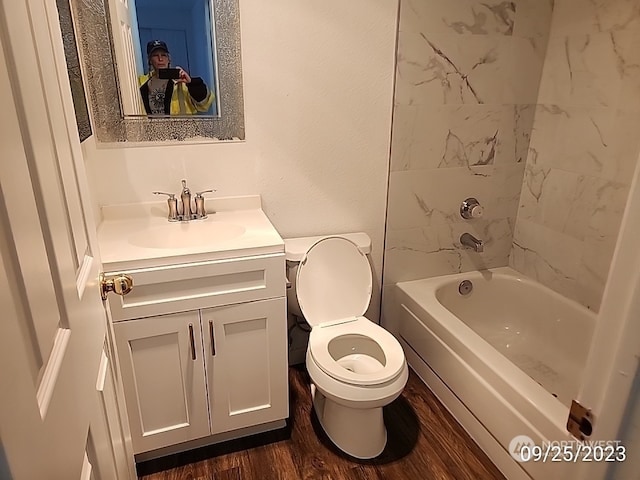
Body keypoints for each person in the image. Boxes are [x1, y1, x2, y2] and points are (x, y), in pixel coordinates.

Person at [139, 40, 214, 115]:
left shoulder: (181, 81)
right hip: (152, 126)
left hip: (181, 126)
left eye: (163, 55)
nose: (160, 59)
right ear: (150, 60)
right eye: (155, 55)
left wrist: (192, 83)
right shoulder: (141, 82)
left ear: (169, 59)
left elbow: (205, 105)